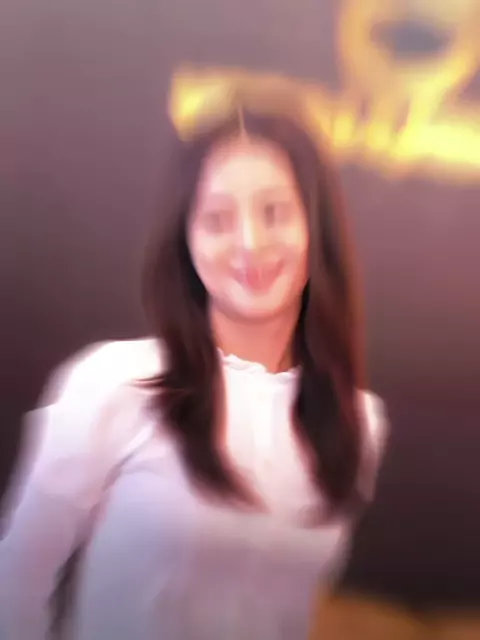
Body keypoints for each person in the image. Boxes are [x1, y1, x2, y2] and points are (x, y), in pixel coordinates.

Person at [0, 85, 389, 640]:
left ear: (316, 227)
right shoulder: (116, 384)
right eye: (217, 219)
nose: (249, 242)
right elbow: (15, 580)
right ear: (186, 240)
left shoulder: (357, 423)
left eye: (274, 212)